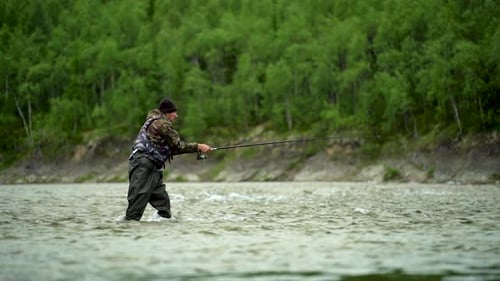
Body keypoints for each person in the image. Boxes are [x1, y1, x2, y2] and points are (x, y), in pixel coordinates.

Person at [124, 98, 211, 221]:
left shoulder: (153, 122)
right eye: (174, 112)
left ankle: (163, 228)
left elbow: (170, 148)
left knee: (163, 205)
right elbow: (177, 147)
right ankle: (126, 230)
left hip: (151, 166)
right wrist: (198, 147)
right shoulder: (163, 124)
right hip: (144, 166)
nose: (176, 115)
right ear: (167, 112)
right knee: (136, 205)